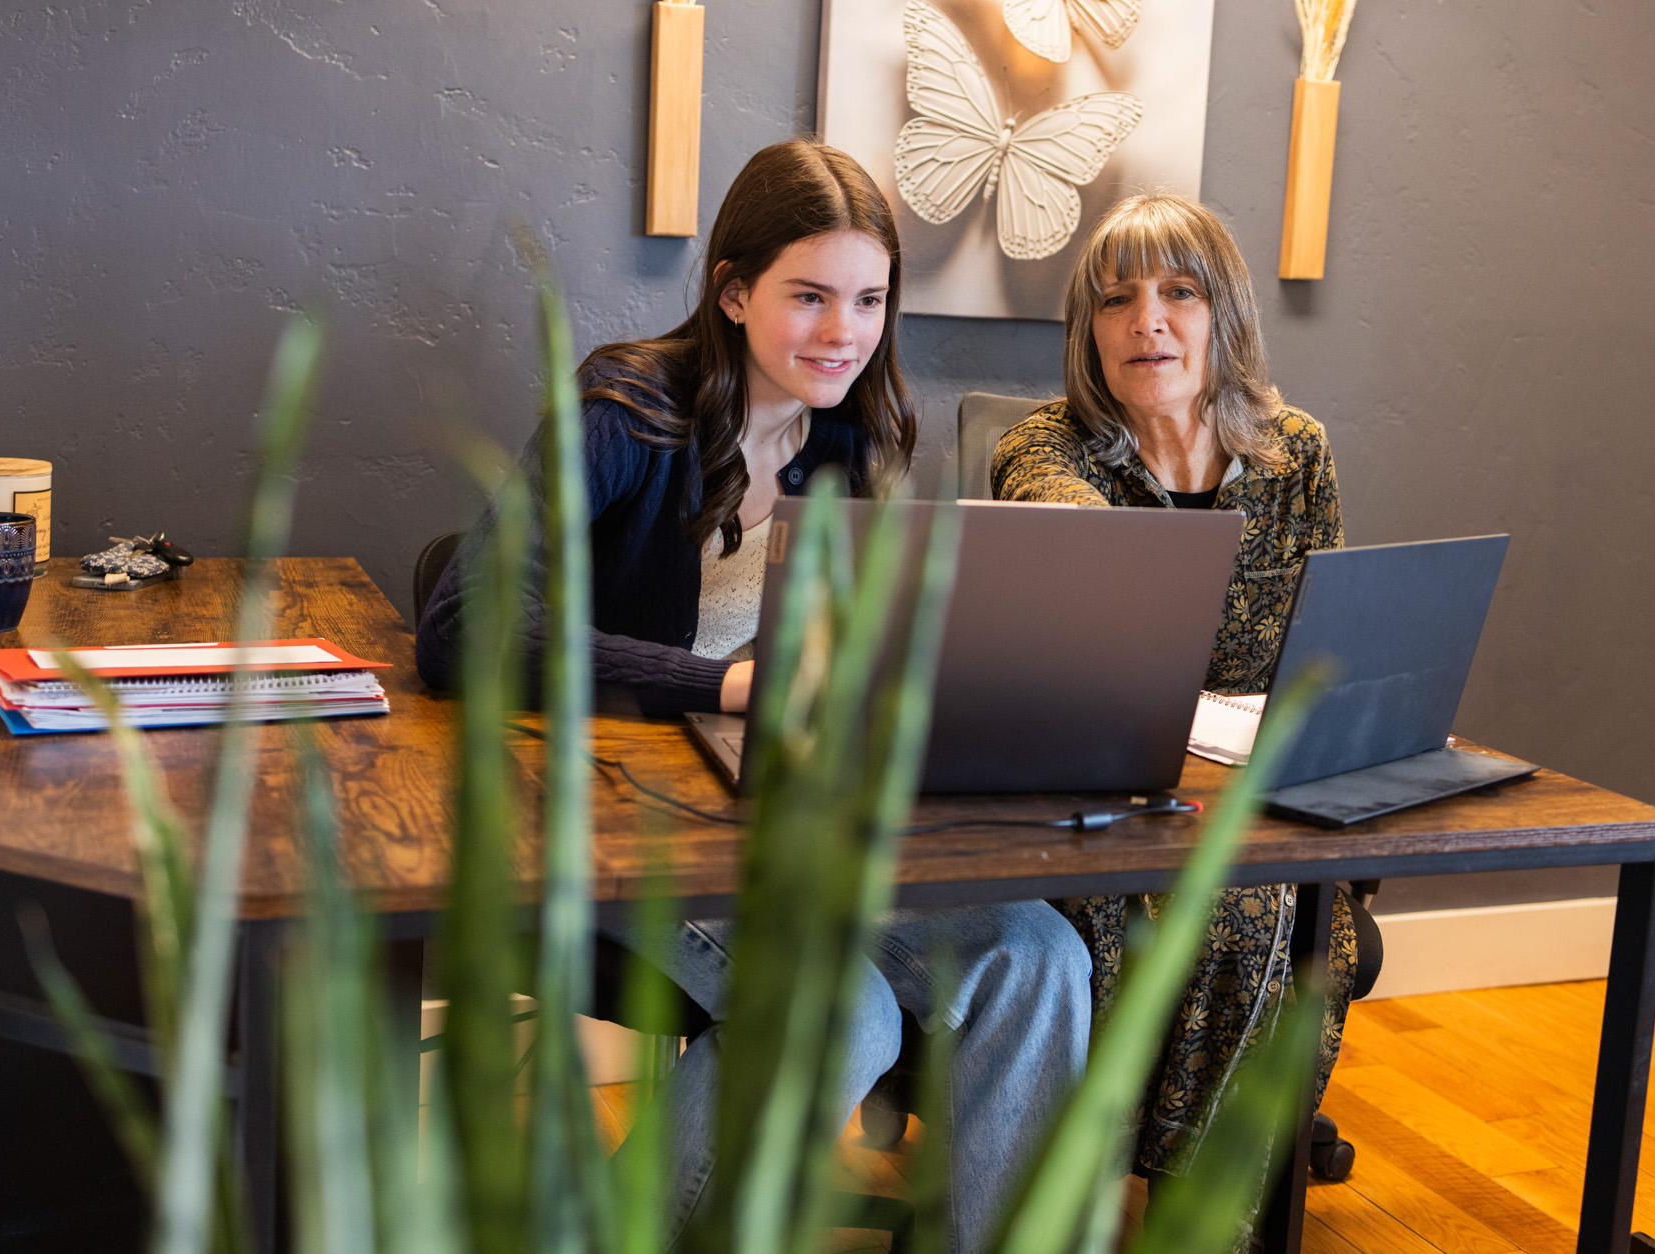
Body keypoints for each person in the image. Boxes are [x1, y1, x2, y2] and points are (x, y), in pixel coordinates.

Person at [416, 138, 1089, 1251]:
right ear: (732, 292)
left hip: (806, 822)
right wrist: (720, 681)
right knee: (838, 1006)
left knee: (1040, 956)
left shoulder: (858, 436)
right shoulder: (623, 412)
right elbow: (461, 623)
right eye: (809, 295)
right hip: (630, 824)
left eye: (868, 299)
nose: (843, 331)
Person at [990, 193, 1360, 1181]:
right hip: (1095, 803)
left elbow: (1323, 656)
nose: (1146, 319)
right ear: (1088, 332)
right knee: (1178, 916)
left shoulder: (1297, 455)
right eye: (1116, 299)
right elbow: (1062, 522)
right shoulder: (1044, 449)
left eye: (1178, 292)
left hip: (1251, 806)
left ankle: (1198, 1206)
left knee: (1273, 908)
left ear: (1222, 317)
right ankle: (1118, 1189)